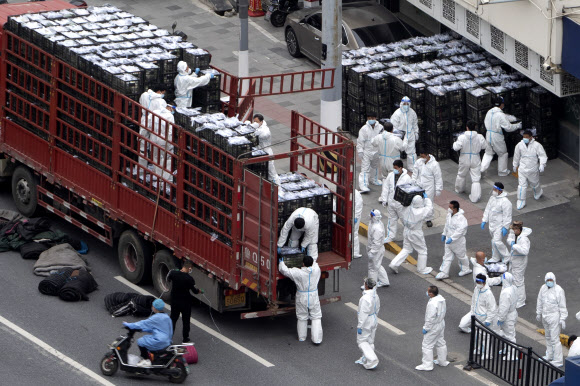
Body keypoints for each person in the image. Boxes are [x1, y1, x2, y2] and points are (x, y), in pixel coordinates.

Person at [278, 255, 323, 344]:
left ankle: (302, 337)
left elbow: (285, 271)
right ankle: (317, 339)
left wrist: (281, 263)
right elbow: (315, 263)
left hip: (302, 296)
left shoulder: (298, 273)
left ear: (303, 263)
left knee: (302, 317)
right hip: (313, 295)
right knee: (316, 317)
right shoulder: (317, 270)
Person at [389, 194, 433, 275]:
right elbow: (429, 208)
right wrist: (427, 199)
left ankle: (394, 264)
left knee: (406, 249)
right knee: (422, 250)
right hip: (416, 232)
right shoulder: (421, 211)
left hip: (406, 230)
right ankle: (421, 269)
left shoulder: (407, 208)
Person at [123, 298, 173, 367]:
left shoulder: (156, 317)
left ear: (155, 307)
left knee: (141, 341)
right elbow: (156, 328)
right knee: (146, 338)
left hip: (160, 341)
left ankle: (146, 360)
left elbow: (143, 323)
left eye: (153, 306)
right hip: (167, 341)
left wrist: (129, 325)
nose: (152, 307)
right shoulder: (166, 317)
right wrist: (144, 329)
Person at [480, 96, 523, 176]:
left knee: (488, 153)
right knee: (502, 153)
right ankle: (502, 171)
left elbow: (502, 118)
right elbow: (508, 128)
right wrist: (518, 125)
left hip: (488, 134)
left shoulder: (489, 112)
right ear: (501, 104)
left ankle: (481, 169)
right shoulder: (500, 115)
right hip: (497, 136)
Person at [459, 274, 498, 356]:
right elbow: (473, 302)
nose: (477, 283)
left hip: (484, 318)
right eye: (476, 281)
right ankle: (479, 349)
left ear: (484, 283)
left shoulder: (488, 293)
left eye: (479, 282)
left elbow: (492, 308)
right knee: (478, 335)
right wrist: (473, 313)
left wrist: (488, 320)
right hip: (477, 317)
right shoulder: (476, 289)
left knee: (485, 337)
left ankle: (488, 354)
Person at [167, 260, 203, 343]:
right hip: (185, 303)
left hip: (175, 301)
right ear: (189, 268)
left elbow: (168, 278)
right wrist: (199, 291)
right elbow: (194, 291)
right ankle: (185, 338)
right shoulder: (189, 279)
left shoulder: (173, 273)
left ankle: (169, 337)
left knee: (173, 319)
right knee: (186, 320)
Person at [536, 272, 568, 367]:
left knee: (554, 339)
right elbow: (539, 301)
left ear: (554, 280)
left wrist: (563, 318)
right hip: (545, 316)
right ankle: (549, 355)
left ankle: (558, 360)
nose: (549, 282)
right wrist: (538, 312)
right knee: (548, 337)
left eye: (551, 280)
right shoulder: (543, 288)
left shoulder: (559, 290)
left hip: (554, 316)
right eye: (548, 280)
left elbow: (562, 305)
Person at [453, 120, 488, 203]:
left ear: (467, 127)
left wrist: (455, 143)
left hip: (464, 158)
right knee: (476, 178)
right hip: (475, 158)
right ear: (475, 127)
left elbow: (456, 147)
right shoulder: (479, 137)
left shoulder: (462, 137)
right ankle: (475, 197)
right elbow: (484, 146)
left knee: (461, 174)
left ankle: (459, 189)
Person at [436, 200, 472, 280]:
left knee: (461, 256)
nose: (448, 208)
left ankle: (466, 269)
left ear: (455, 209)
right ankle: (444, 272)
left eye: (450, 207)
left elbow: (460, 231)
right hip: (448, 240)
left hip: (458, 242)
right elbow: (447, 225)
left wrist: (452, 238)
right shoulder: (449, 215)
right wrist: (444, 234)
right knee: (447, 256)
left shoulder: (461, 219)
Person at [416, 285, 449, 371]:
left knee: (427, 345)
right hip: (441, 323)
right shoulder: (441, 300)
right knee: (440, 342)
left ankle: (427, 365)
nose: (427, 293)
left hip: (434, 326)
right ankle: (442, 361)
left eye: (428, 291)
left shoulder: (432, 304)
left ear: (431, 293)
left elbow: (430, 318)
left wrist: (426, 328)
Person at [379, 160, 412, 244]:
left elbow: (409, 191)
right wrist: (384, 199)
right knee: (391, 220)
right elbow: (386, 187)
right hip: (391, 202)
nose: (394, 170)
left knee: (405, 220)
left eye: (396, 168)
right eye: (393, 168)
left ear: (401, 168)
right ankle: (390, 236)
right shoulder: (390, 175)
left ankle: (409, 236)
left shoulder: (407, 178)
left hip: (401, 204)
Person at [513, 130, 548, 210]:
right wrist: (515, 165)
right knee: (521, 186)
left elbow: (542, 155)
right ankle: (521, 200)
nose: (525, 138)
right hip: (522, 169)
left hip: (533, 169)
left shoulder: (537, 145)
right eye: (524, 137)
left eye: (527, 137)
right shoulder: (519, 145)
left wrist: (542, 164)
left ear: (531, 137)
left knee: (534, 184)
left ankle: (538, 192)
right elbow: (516, 156)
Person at [412, 147, 443, 227]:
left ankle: (428, 219)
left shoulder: (434, 164)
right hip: (419, 186)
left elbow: (438, 177)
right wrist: (413, 182)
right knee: (418, 202)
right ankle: (418, 218)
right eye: (420, 156)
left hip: (429, 187)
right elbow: (415, 173)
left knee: (428, 203)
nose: (421, 158)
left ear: (427, 155)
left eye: (422, 156)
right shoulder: (419, 162)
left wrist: (438, 189)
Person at [481, 182, 512, 263]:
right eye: (493, 189)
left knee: (497, 241)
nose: (493, 191)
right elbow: (487, 209)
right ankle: (496, 257)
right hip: (492, 225)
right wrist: (484, 220)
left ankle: (507, 256)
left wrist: (505, 227)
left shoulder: (505, 202)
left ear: (500, 191)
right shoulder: (492, 198)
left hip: (499, 225)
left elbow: (507, 215)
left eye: (495, 189)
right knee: (493, 242)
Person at [355, 277, 381, 370]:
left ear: (366, 285)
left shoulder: (365, 298)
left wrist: (360, 326)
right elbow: (377, 308)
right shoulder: (375, 295)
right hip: (374, 318)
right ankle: (365, 358)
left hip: (367, 321)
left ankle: (372, 359)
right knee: (370, 340)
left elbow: (363, 314)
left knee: (361, 341)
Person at [390, 96, 419, 173]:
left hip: (410, 134)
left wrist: (416, 132)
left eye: (407, 104)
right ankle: (396, 167)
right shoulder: (397, 114)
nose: (406, 105)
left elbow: (415, 123)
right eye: (404, 104)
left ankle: (412, 167)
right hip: (400, 135)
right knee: (396, 152)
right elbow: (394, 126)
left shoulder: (412, 113)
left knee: (412, 152)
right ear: (401, 104)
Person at [362, 209, 389, 289]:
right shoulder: (375, 223)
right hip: (376, 249)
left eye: (371, 215)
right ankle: (384, 281)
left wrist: (372, 252)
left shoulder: (377, 228)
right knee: (377, 265)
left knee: (372, 268)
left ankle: (371, 285)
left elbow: (376, 243)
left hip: (376, 250)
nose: (369, 215)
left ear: (374, 217)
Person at [507, 221, 531, 308]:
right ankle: (516, 296)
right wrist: (511, 242)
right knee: (514, 279)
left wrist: (514, 246)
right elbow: (510, 238)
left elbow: (525, 251)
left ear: (518, 229)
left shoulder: (524, 239)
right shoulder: (515, 234)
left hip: (520, 262)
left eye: (514, 230)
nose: (512, 231)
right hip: (514, 260)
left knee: (518, 281)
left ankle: (521, 301)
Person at [357, 114, 384, 192]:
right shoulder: (364, 129)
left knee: (375, 166)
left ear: (375, 118)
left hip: (377, 150)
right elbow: (360, 141)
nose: (370, 119)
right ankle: (363, 185)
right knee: (365, 168)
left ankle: (374, 179)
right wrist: (360, 151)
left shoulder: (380, 128)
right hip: (367, 151)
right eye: (369, 118)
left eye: (372, 118)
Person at [252, 114, 281, 185]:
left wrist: (256, 133)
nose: (255, 123)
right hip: (259, 152)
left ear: (261, 122)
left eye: (257, 122)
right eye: (254, 121)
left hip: (266, 152)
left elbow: (265, 135)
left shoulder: (265, 130)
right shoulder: (256, 127)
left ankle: (278, 187)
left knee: (271, 172)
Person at [497, 272, 518, 360]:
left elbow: (504, 307)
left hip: (508, 316)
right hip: (513, 313)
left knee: (510, 335)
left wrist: (501, 318)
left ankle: (512, 354)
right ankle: (507, 349)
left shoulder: (506, 292)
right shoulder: (513, 287)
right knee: (508, 333)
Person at [353, 189, 363, 259]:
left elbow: (359, 206)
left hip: (355, 216)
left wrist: (355, 217)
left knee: (354, 233)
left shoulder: (356, 194)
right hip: (351, 215)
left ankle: (355, 252)